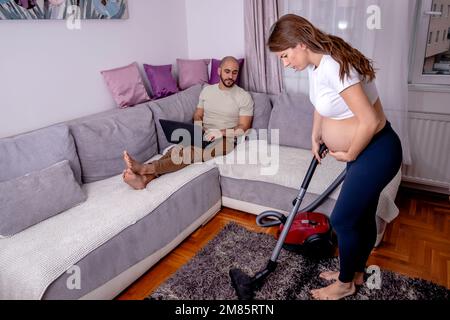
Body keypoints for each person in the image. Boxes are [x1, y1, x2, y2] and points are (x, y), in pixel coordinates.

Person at [267, 14, 402, 300]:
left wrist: (349, 153)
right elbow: (322, 106)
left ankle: (343, 285)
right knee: (362, 216)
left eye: (285, 55)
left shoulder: (335, 66)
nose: (286, 63)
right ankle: (354, 272)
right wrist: (316, 134)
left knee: (342, 220)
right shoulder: (316, 65)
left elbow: (370, 122)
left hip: (377, 150)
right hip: (367, 152)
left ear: (301, 44)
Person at [122, 56, 254, 190]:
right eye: (227, 71)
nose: (230, 76)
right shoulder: (207, 91)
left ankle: (145, 168)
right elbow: (198, 114)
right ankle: (145, 179)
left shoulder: (243, 96)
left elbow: (244, 127)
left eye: (234, 72)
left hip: (227, 139)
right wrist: (198, 127)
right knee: (176, 150)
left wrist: (220, 133)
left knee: (190, 152)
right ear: (219, 71)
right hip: (204, 133)